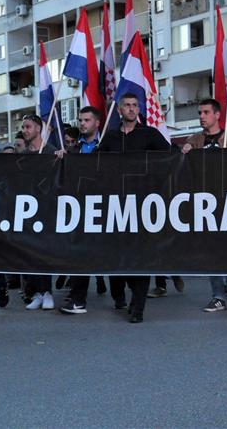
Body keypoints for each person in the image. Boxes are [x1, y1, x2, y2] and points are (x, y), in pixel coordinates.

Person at [98, 92, 172, 323]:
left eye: (134, 105)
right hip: (116, 207)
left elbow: (172, 157)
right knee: (121, 257)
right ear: (119, 110)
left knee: (141, 258)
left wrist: (186, 150)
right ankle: (124, 296)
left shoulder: (149, 135)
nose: (131, 109)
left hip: (144, 206)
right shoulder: (110, 138)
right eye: (127, 106)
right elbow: (93, 166)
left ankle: (138, 307)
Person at [180, 98, 227, 312]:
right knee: (211, 251)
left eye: (206, 112)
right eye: (200, 112)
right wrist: (186, 153)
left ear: (217, 115)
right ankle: (217, 294)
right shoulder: (194, 140)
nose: (201, 116)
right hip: (204, 202)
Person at [61, 106, 105, 314]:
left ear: (97, 123)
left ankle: (120, 296)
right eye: (80, 120)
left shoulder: (106, 147)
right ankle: (78, 298)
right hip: (79, 208)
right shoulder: (72, 150)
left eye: (87, 120)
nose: (82, 123)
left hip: (105, 207)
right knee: (79, 254)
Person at [16, 114, 57, 311]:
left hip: (48, 210)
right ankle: (38, 293)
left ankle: (47, 291)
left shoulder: (51, 152)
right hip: (27, 211)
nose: (24, 130)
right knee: (31, 253)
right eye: (23, 127)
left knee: (45, 252)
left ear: (38, 129)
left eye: (28, 126)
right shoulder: (22, 156)